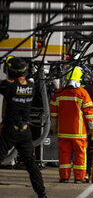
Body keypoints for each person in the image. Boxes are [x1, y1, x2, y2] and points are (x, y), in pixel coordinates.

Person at [0, 56, 46, 198]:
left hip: (10, 130)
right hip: (25, 132)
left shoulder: (9, 85)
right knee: (31, 164)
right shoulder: (31, 86)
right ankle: (42, 194)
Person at [50, 66, 93, 183]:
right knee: (80, 155)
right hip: (78, 133)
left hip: (63, 132)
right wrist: (92, 128)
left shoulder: (59, 92)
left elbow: (53, 113)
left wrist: (54, 126)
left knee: (64, 155)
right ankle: (79, 178)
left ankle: (64, 177)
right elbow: (89, 114)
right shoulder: (82, 93)